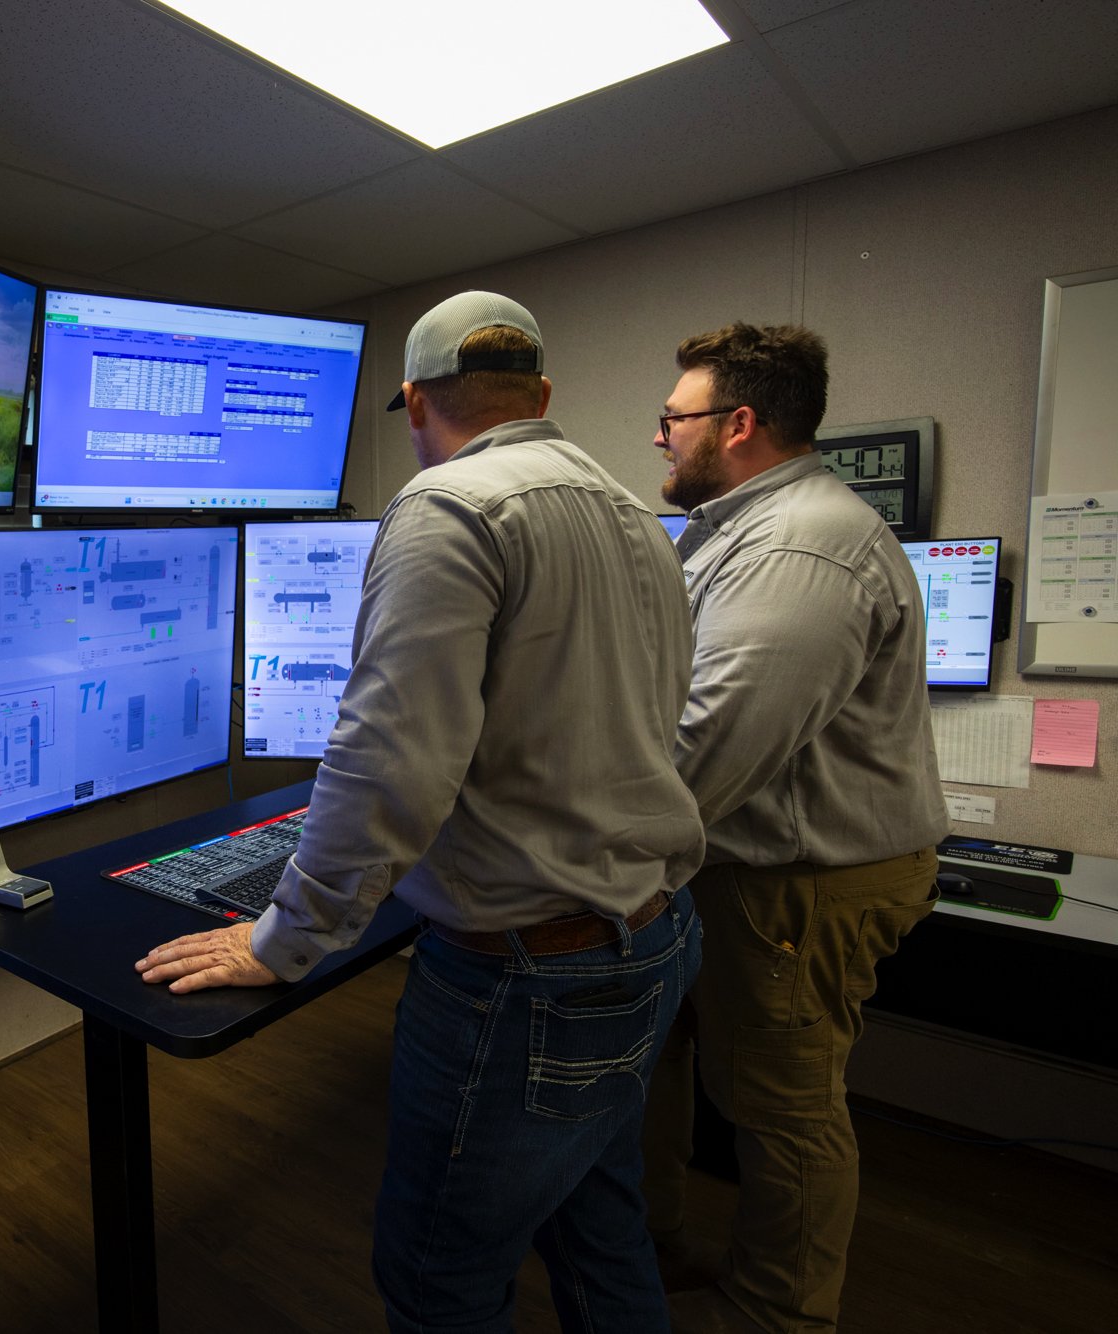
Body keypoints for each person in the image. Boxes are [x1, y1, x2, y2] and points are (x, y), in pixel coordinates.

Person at [137, 291, 705, 1334]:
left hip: (526, 972)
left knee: (437, 1277)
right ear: (541, 396)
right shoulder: (638, 513)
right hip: (651, 937)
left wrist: (285, 935)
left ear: (411, 404)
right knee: (598, 1232)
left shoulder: (449, 509)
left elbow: (386, 760)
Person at [640, 323, 947, 1334]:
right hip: (732, 865)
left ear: (735, 423)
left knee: (782, 1106)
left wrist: (568, 837)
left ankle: (778, 1313)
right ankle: (653, 1244)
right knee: (671, 1058)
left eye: (670, 419)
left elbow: (708, 747)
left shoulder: (801, 544)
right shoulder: (735, 529)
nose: (657, 439)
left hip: (796, 883)